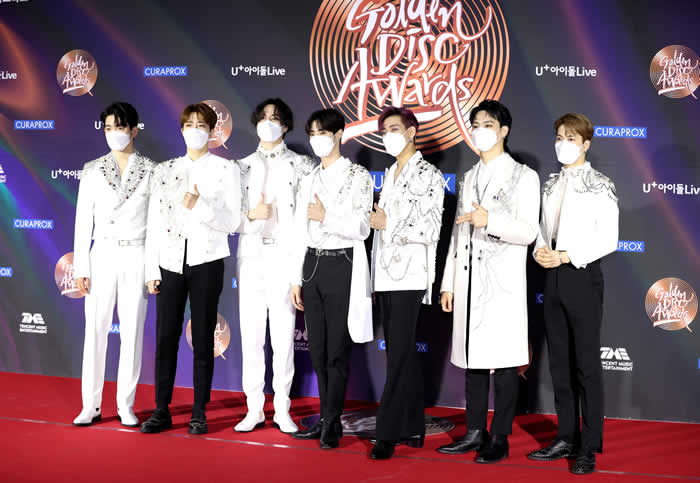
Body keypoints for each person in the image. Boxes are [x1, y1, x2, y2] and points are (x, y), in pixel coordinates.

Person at [437, 100, 540, 463]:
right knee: (473, 360)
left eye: (488, 125)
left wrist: (490, 221)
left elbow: (529, 232)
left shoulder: (523, 176)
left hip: (502, 282)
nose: (480, 131)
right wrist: (448, 282)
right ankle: (474, 430)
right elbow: (457, 232)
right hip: (468, 280)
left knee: (506, 362)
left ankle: (500, 436)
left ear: (503, 131)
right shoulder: (469, 176)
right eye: (476, 125)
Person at [140, 102, 241, 435]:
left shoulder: (226, 170)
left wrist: (200, 206)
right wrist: (151, 269)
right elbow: (154, 222)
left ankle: (199, 411)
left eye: (201, 125)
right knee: (165, 337)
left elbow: (233, 222)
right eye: (189, 125)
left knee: (203, 338)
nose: (195, 130)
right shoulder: (164, 170)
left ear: (212, 131)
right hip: (169, 263)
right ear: (181, 129)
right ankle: (161, 409)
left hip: (207, 262)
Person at [527, 113, 618, 475]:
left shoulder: (601, 184)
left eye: (570, 138)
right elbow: (541, 229)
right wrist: (540, 249)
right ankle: (565, 436)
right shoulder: (550, 185)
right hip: (551, 278)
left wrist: (566, 256)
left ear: (585, 144)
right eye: (559, 137)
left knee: (586, 365)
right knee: (559, 364)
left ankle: (588, 445)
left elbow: (608, 239)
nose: (563, 144)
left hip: (581, 276)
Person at [289, 108, 373, 449]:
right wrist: (295, 278)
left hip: (343, 264)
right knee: (318, 349)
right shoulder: (308, 179)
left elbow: (363, 227)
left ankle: (333, 421)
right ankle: (326, 417)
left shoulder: (358, 176)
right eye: (312, 134)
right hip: (312, 265)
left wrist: (327, 217)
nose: (316, 140)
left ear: (339, 134)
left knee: (337, 350)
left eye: (322, 133)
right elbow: (298, 231)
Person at [234, 98, 316, 433]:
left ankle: (282, 409)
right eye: (264, 117)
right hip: (251, 258)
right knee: (251, 337)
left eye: (276, 118)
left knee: (283, 339)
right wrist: (250, 216)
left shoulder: (302, 166)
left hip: (285, 259)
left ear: (286, 126)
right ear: (256, 122)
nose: (269, 123)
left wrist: (297, 272)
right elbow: (229, 219)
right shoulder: (240, 167)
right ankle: (253, 409)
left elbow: (306, 223)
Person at [368, 107, 444, 460]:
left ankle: (387, 432)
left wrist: (389, 223)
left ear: (412, 132)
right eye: (384, 130)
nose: (389, 136)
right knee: (402, 351)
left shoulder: (429, 174)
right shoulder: (389, 172)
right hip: (385, 274)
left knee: (398, 354)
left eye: (395, 129)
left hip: (410, 274)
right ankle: (413, 426)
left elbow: (431, 228)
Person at [72, 102, 154, 428]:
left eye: (119, 127)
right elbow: (83, 222)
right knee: (95, 331)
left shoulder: (151, 170)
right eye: (108, 128)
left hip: (137, 254)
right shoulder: (92, 169)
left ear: (134, 130)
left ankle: (125, 405)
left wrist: (153, 270)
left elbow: (156, 224)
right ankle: (89, 405)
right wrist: (81, 267)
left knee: (132, 333)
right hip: (102, 254)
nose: (113, 133)